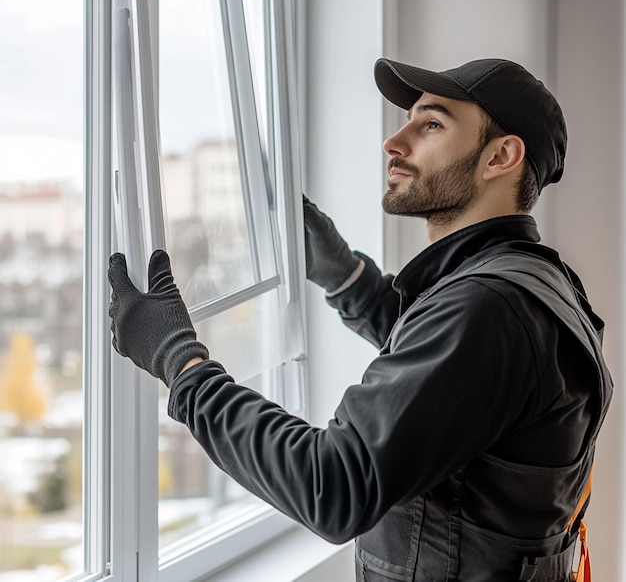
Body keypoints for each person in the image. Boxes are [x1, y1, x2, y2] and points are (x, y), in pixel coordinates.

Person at [108, 57, 613, 581]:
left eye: (432, 124)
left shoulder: (487, 311)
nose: (395, 141)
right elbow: (445, 370)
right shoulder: (534, 282)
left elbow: (336, 487)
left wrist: (182, 364)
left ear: (500, 156)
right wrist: (343, 274)